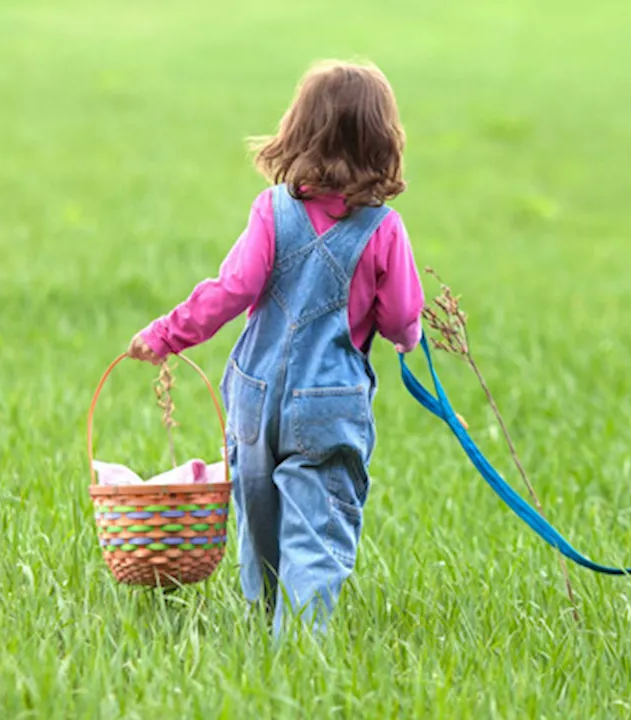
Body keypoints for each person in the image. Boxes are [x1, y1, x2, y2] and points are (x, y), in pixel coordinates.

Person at [126, 59, 424, 636]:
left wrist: (166, 334)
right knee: (314, 534)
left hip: (254, 403)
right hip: (328, 407)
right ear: (383, 142)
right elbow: (402, 317)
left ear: (299, 131)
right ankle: (298, 653)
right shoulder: (384, 229)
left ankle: (265, 631)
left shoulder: (271, 212)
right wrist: (409, 339)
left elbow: (231, 290)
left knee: (257, 525)